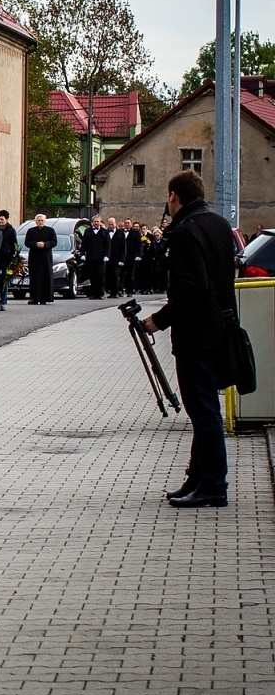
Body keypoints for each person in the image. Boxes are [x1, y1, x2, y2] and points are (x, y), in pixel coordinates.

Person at [143, 170, 238, 508]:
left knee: (204, 411)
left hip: (196, 333)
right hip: (221, 327)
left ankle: (213, 485)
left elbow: (193, 286)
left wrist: (160, 319)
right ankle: (197, 478)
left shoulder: (184, 233)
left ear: (174, 196)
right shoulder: (219, 225)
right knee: (204, 409)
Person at [25, 214, 57, 304]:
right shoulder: (31, 231)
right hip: (34, 257)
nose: (40, 222)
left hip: (46, 257)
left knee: (45, 277)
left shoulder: (50, 230)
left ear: (45, 221)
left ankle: (44, 298)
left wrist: (45, 244)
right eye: (38, 220)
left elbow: (54, 242)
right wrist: (36, 244)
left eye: (42, 220)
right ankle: (34, 298)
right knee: (35, 278)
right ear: (35, 221)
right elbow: (27, 242)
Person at [0, 211, 17, 310]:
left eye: (2, 219)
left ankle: (3, 301)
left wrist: (14, 256)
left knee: (5, 281)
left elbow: (14, 244)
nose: (0, 221)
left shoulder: (11, 230)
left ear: (7, 220)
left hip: (7, 259)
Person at [80, 216, 108, 299]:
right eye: (94, 221)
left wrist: (107, 255)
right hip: (90, 257)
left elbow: (107, 244)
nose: (96, 223)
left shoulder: (104, 232)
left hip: (101, 257)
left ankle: (101, 293)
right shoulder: (87, 231)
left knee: (100, 275)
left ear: (100, 222)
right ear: (92, 222)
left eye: (97, 221)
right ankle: (93, 293)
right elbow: (84, 243)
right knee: (92, 276)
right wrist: (82, 254)